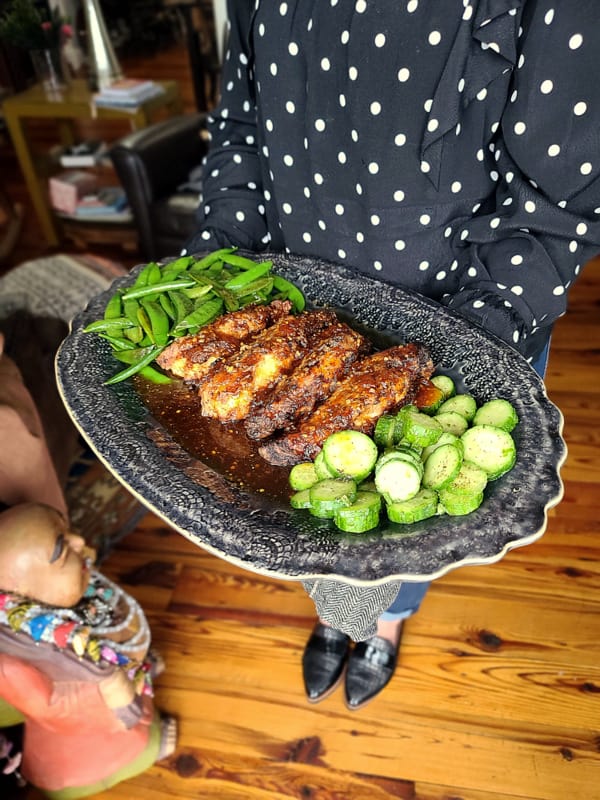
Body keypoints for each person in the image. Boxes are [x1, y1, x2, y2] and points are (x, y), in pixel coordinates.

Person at [182, 0, 600, 709]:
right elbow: (243, 129)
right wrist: (217, 291)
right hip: (294, 321)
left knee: (403, 509)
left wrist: (423, 375)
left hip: (467, 322)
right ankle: (334, 614)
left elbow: (551, 211)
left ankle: (386, 624)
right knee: (310, 508)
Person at [0, 282, 177, 796]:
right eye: (65, 551)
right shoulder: (41, 652)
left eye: (71, 540)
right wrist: (120, 690)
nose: (87, 548)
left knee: (34, 501)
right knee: (131, 735)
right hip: (94, 715)